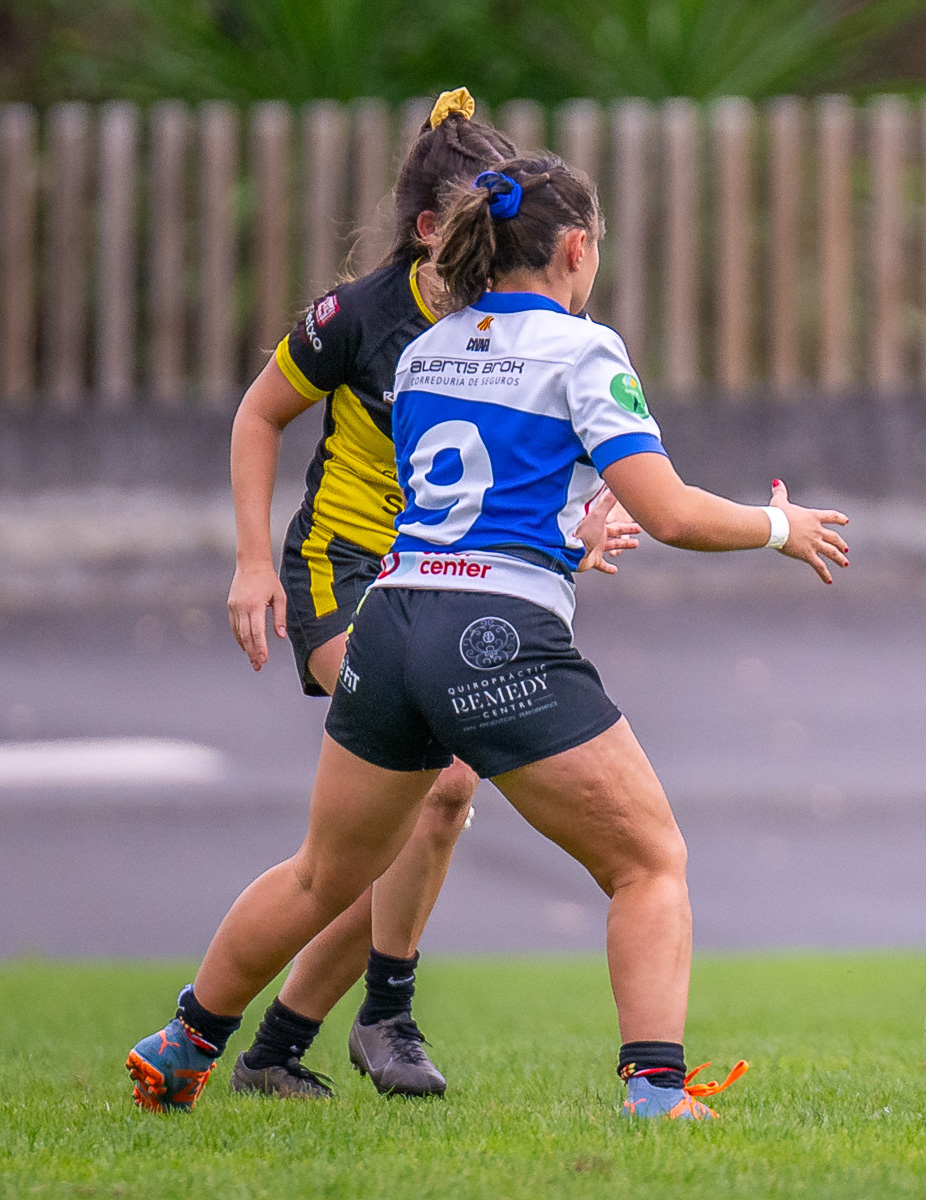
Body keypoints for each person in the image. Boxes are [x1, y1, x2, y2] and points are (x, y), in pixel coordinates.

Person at [127, 153, 850, 1120]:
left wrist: (570, 527)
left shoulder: (426, 352)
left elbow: (471, 499)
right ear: (576, 249)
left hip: (390, 624)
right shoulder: (584, 350)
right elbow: (670, 512)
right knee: (648, 862)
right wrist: (777, 527)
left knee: (321, 874)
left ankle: (182, 1043)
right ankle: (655, 1090)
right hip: (495, 633)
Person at [221, 90, 560, 1100]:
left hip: (438, 579)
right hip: (343, 572)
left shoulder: (516, 322)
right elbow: (257, 417)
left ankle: (277, 1047)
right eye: (477, 219)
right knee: (444, 780)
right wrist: (250, 562)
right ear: (427, 229)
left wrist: (587, 523)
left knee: (408, 823)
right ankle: (383, 1012)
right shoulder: (360, 316)